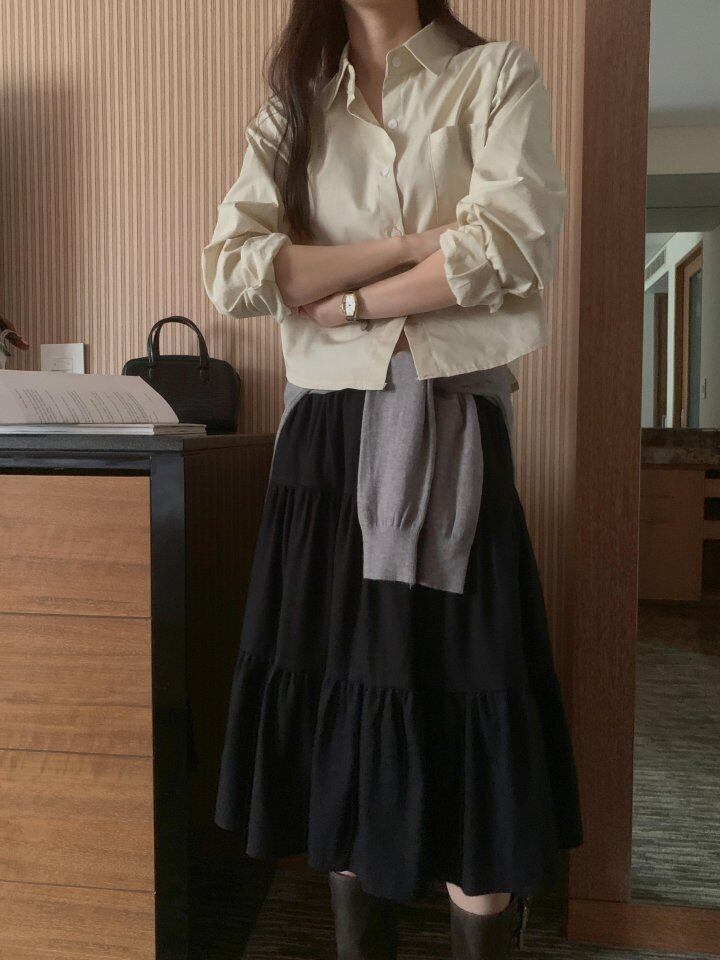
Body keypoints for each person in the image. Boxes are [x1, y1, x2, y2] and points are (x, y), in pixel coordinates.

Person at [201, 2, 583, 957]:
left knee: (468, 689)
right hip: (325, 444)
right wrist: (414, 248)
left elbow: (508, 247)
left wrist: (349, 301)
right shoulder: (293, 108)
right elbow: (237, 272)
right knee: (341, 694)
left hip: (450, 431)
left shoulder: (494, 75)